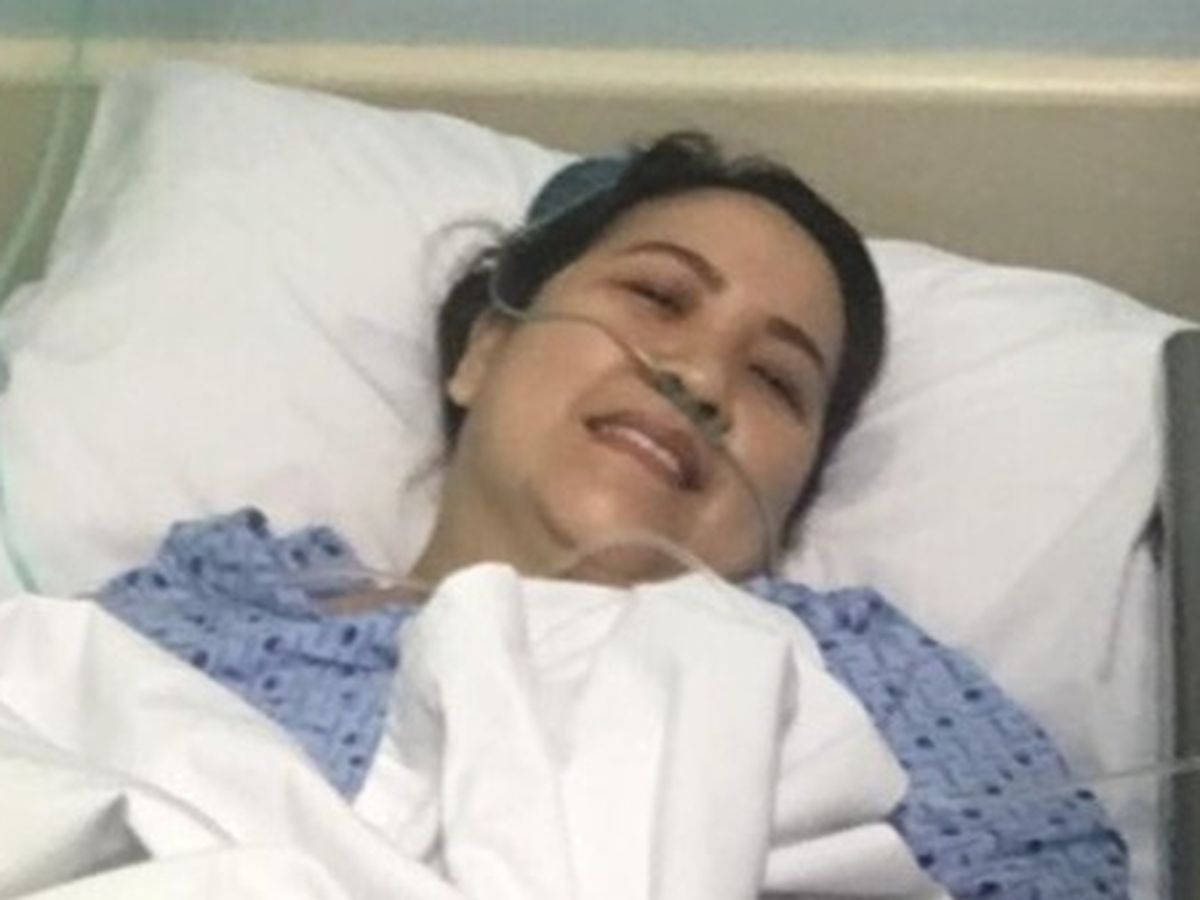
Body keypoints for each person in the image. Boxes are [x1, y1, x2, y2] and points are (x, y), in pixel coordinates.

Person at [92, 133, 1129, 898]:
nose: (701, 378)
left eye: (776, 380)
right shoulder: (216, 603)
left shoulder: (854, 670)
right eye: (659, 297)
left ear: (789, 504)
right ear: (485, 350)